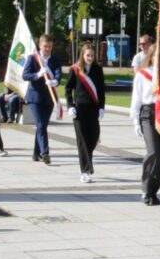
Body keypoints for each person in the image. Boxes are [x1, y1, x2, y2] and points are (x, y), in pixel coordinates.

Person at [130, 45, 160, 205]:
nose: (159, 59)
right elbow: (136, 98)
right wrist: (135, 121)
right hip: (148, 113)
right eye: (156, 55)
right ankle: (145, 188)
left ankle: (153, 191)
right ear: (151, 56)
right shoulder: (142, 74)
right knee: (153, 152)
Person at [66, 42, 106, 182]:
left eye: (92, 55)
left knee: (93, 138)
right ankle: (85, 170)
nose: (90, 58)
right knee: (82, 140)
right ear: (82, 55)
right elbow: (68, 89)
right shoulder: (75, 69)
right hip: (79, 110)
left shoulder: (97, 69)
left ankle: (86, 164)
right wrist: (70, 106)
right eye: (88, 55)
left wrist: (102, 107)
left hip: (93, 109)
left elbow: (101, 90)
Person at [22, 34, 61, 165]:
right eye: (45, 46)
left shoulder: (55, 60)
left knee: (42, 125)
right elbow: (25, 75)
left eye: (50, 46)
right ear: (40, 45)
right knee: (40, 125)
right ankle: (45, 153)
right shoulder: (33, 58)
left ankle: (35, 153)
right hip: (35, 97)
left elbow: (58, 74)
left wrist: (55, 81)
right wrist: (38, 74)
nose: (47, 49)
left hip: (49, 98)